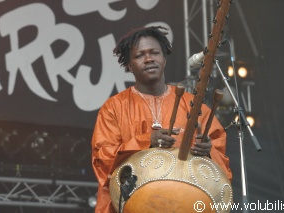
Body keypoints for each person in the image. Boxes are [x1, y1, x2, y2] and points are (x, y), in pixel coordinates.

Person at [91, 26, 232, 213]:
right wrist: (146, 141)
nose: (149, 59)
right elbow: (103, 159)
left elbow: (220, 160)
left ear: (164, 58)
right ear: (129, 66)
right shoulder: (114, 108)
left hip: (185, 205)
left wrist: (207, 151)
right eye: (139, 55)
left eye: (154, 53)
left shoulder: (193, 106)